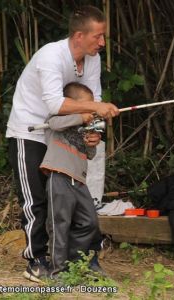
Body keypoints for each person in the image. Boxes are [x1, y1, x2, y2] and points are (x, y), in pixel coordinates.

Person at [5, 5, 118, 283]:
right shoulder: (51, 56)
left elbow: (94, 100)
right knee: (36, 199)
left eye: (103, 37)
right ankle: (38, 260)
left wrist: (94, 131)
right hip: (30, 130)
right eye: (98, 37)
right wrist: (97, 108)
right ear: (79, 35)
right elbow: (56, 103)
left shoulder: (92, 60)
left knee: (78, 200)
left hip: (67, 131)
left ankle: (83, 258)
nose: (102, 43)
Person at [41, 82, 104, 279]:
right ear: (72, 104)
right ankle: (57, 271)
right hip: (58, 175)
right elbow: (53, 124)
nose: (91, 110)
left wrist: (92, 142)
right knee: (59, 223)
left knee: (89, 222)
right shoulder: (58, 118)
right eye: (86, 105)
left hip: (79, 180)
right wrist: (80, 116)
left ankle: (74, 264)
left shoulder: (84, 126)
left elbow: (90, 154)